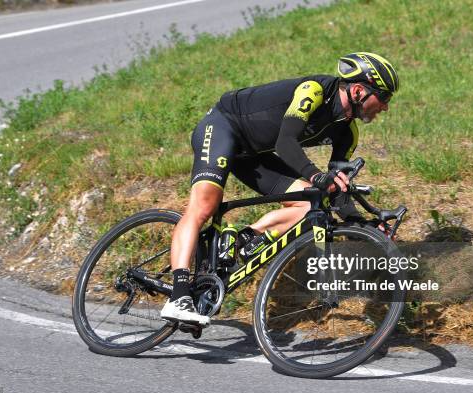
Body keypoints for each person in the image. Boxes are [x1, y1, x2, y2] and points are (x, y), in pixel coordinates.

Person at [160, 52, 399, 326]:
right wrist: (316, 175)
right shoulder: (315, 91)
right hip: (224, 127)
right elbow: (286, 142)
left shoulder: (348, 133)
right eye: (384, 98)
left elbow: (337, 191)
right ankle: (178, 297)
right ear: (358, 91)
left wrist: (362, 224)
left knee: (312, 204)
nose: (385, 107)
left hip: (253, 154)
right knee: (204, 206)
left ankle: (240, 241)